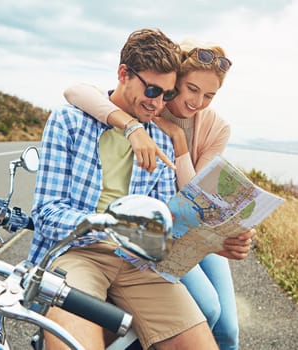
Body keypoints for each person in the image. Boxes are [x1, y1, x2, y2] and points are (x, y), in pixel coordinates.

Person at [29, 28, 253, 350]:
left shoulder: (163, 139)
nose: (158, 104)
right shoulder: (70, 121)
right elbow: (46, 213)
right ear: (123, 74)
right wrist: (114, 227)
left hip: (139, 259)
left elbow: (167, 220)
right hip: (78, 251)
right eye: (152, 91)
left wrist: (214, 241)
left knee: (211, 331)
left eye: (166, 95)